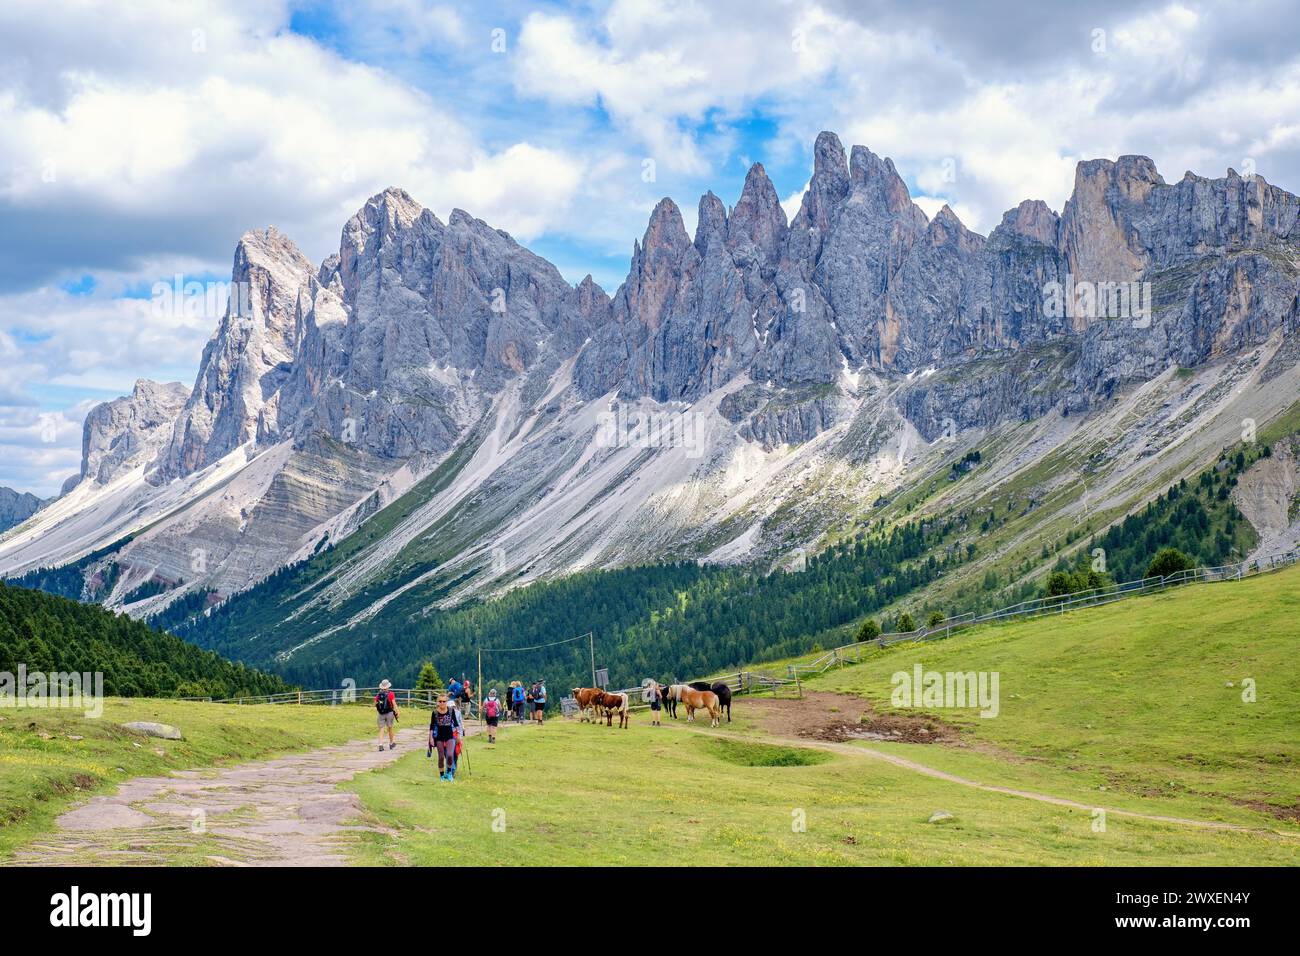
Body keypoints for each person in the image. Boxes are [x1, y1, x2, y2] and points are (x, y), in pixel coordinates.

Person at [428, 694, 463, 782]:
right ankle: (442, 775)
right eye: (440, 701)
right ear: (437, 702)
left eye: (444, 701)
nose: (442, 703)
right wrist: (431, 738)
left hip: (450, 736)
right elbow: (432, 726)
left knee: (450, 755)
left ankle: (450, 773)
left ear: (446, 702)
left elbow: (456, 724)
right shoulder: (435, 712)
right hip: (439, 737)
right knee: (441, 757)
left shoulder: (451, 711)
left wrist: (458, 734)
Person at [375, 679, 399, 751]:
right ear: (388, 686)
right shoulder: (391, 694)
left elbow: (375, 704)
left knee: (381, 729)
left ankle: (380, 745)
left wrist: (380, 708)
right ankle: (391, 743)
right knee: (390, 728)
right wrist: (397, 712)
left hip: (381, 713)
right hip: (389, 713)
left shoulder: (378, 694)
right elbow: (394, 704)